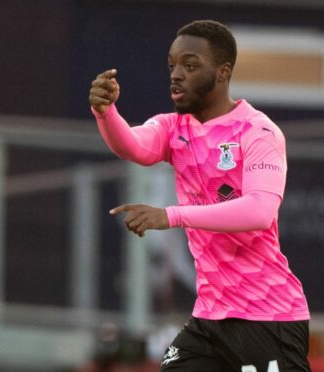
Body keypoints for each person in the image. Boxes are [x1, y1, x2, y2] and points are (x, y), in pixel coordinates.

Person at [89, 20, 310, 372]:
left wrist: (172, 215)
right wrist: (106, 113)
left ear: (222, 73)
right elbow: (133, 146)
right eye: (172, 66)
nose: (176, 75)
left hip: (267, 315)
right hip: (210, 317)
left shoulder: (258, 131)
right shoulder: (173, 127)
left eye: (190, 66)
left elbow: (260, 211)